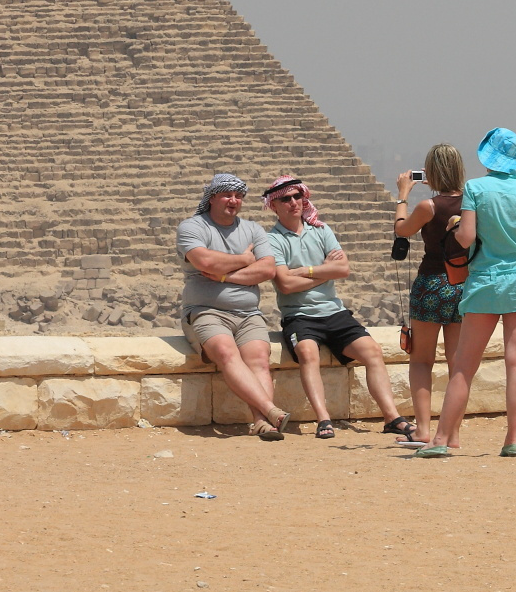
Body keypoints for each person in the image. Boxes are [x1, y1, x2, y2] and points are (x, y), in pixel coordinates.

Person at [418, 128, 516, 458]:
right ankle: (513, 439)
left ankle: (442, 439)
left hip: (486, 284)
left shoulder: (476, 189)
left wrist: (452, 226)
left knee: (463, 365)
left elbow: (466, 238)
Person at [262, 176, 415, 441]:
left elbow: (343, 268)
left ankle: (392, 418)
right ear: (273, 205)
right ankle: (323, 419)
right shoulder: (271, 240)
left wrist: (306, 271)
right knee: (307, 353)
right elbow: (285, 284)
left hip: (334, 312)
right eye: (285, 199)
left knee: (372, 352)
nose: (294, 203)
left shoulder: (321, 230)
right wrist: (325, 272)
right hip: (299, 315)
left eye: (298, 196)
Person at [176, 174, 292, 441]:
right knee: (227, 353)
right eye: (227, 195)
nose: (234, 200)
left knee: (260, 360)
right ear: (212, 198)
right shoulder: (192, 227)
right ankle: (271, 412)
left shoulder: (253, 229)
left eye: (238, 196)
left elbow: (267, 269)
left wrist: (225, 275)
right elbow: (204, 261)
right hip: (206, 310)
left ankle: (262, 422)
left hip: (248, 314)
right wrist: (243, 259)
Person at [393, 143, 467, 444]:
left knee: (422, 360)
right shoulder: (472, 203)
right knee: (457, 364)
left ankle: (423, 429)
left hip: (431, 285)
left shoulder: (428, 207)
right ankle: (453, 432)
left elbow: (402, 230)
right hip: (462, 286)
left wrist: (402, 195)